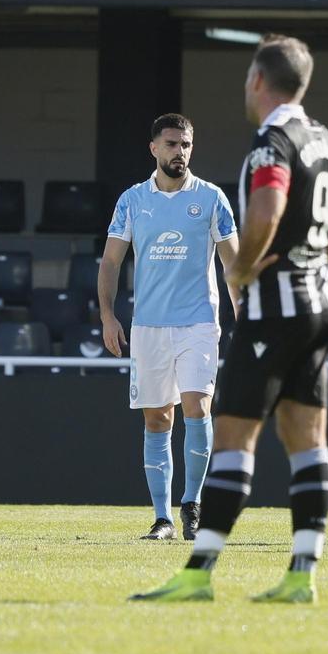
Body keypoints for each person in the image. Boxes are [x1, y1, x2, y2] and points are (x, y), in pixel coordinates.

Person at [131, 34, 328, 603]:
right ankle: (301, 576)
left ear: (257, 80)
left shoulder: (272, 143)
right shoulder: (325, 140)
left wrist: (244, 269)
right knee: (306, 438)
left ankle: (197, 575)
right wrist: (319, 255)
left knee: (232, 438)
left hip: (277, 310)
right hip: (323, 306)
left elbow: (268, 211)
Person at [99, 113, 239, 541]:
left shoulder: (212, 198)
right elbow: (110, 261)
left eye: (187, 145)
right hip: (149, 328)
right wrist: (108, 314)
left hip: (198, 322)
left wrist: (247, 317)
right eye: (173, 144)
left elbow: (233, 263)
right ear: (154, 148)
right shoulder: (132, 200)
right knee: (158, 419)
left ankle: (192, 504)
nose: (181, 152)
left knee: (197, 408)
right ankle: (161, 518)